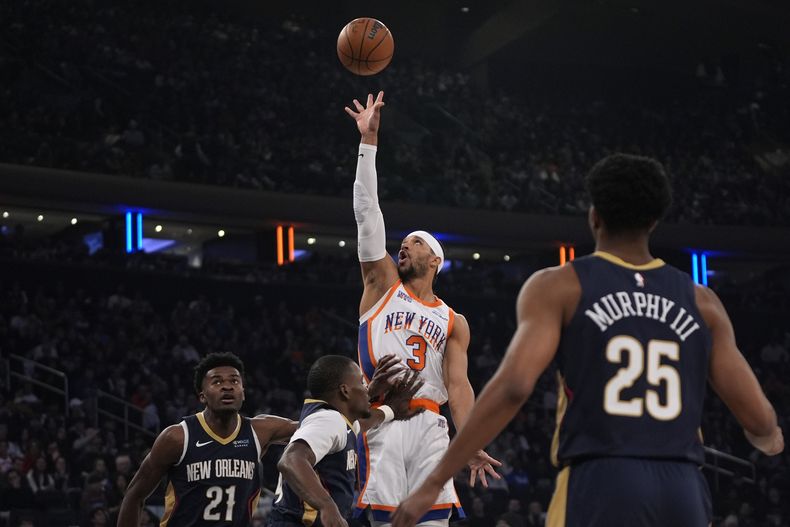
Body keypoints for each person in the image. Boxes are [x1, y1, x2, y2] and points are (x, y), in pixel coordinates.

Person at [392, 153, 785, 527]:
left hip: (601, 478)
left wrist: (433, 482)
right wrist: (770, 440)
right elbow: (761, 422)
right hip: (683, 486)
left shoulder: (559, 285)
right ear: (654, 221)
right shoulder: (704, 302)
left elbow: (513, 387)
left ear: (594, 216)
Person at [344, 91, 501, 526]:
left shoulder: (454, 320)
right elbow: (366, 212)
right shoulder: (381, 285)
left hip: (433, 428)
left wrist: (468, 442)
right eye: (403, 243)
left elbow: (459, 386)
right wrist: (368, 143)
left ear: (435, 260)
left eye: (414, 243)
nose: (403, 247)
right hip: (385, 418)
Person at [117, 352, 298, 527]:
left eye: (234, 381)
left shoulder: (260, 430)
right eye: (217, 381)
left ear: (243, 392)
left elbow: (312, 428)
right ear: (202, 395)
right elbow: (134, 495)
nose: (227, 386)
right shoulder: (177, 437)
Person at [268, 355, 424, 527]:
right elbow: (291, 460)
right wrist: (327, 505)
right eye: (362, 383)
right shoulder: (329, 419)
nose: (366, 389)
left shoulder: (338, 422)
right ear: (345, 391)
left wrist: (392, 409)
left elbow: (363, 423)